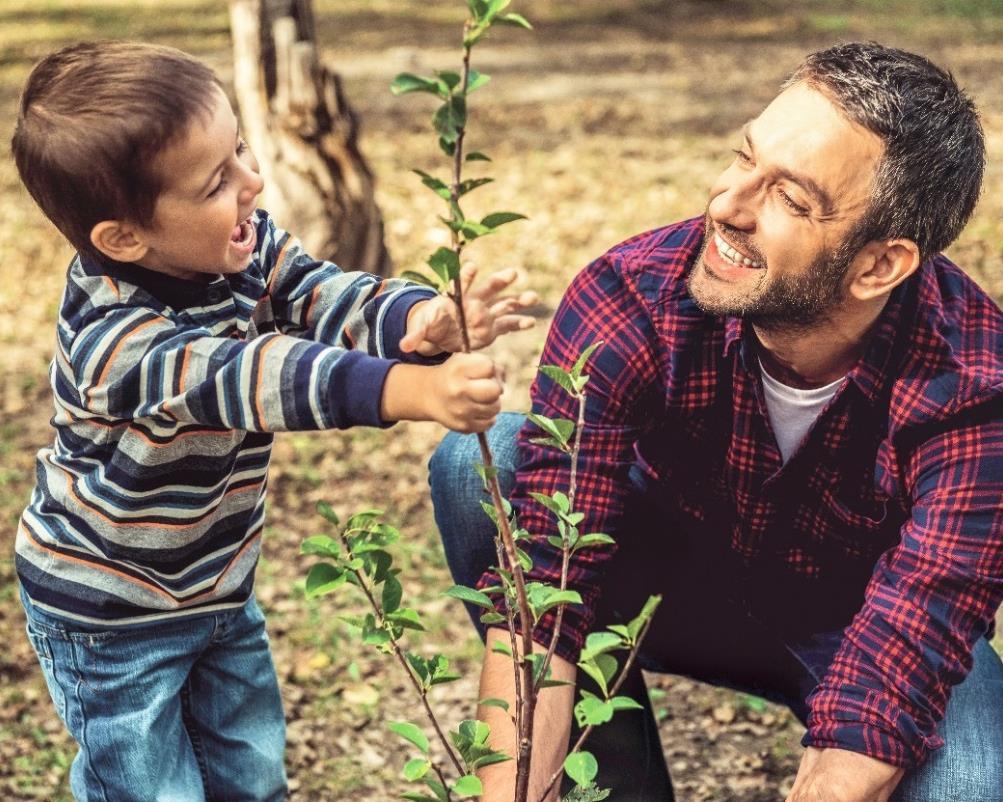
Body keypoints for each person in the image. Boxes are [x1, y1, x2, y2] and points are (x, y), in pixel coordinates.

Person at [430, 41, 1003, 802]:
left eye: (790, 200)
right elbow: (546, 584)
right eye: (743, 159)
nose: (727, 207)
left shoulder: (974, 381)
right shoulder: (629, 296)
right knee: (486, 459)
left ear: (878, 266)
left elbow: (919, 626)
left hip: (857, 622)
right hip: (665, 590)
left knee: (969, 784)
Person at [11, 41, 536, 802]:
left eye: (241, 151)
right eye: (216, 180)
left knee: (252, 777)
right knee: (152, 791)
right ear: (124, 238)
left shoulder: (241, 252)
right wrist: (411, 392)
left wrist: (421, 320)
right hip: (108, 617)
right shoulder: (116, 345)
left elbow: (325, 295)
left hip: (216, 588)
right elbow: (260, 376)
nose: (253, 181)